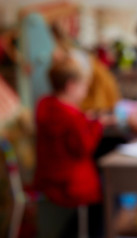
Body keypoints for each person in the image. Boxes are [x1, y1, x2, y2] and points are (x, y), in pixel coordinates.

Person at [34, 58, 114, 237]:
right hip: (69, 183)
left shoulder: (45, 105)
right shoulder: (72, 116)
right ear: (71, 86)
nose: (86, 92)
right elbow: (85, 148)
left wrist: (86, 120)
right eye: (84, 87)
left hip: (47, 175)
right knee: (109, 191)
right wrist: (97, 125)